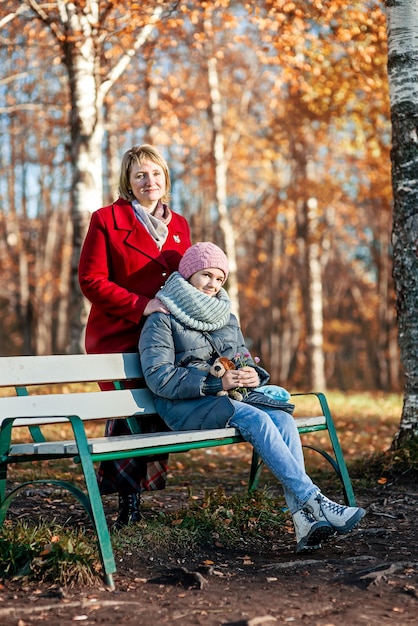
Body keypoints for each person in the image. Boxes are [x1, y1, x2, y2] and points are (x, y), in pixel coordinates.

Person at [139, 242, 366, 552]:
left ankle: (303, 521)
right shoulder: (163, 316)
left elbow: (243, 359)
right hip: (184, 406)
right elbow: (158, 377)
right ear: (188, 273)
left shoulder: (225, 316)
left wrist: (253, 375)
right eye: (206, 275)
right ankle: (316, 501)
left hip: (228, 401)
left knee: (283, 418)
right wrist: (211, 384)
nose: (213, 285)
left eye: (220, 279)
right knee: (255, 417)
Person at [78, 144, 191, 527]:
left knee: (157, 410)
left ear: (165, 179)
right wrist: (141, 305)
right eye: (141, 174)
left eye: (156, 173)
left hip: (164, 336)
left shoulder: (179, 225)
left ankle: (143, 495)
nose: (150, 181)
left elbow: (188, 281)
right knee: (129, 414)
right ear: (128, 180)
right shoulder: (106, 219)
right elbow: (91, 280)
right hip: (119, 332)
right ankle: (127, 508)